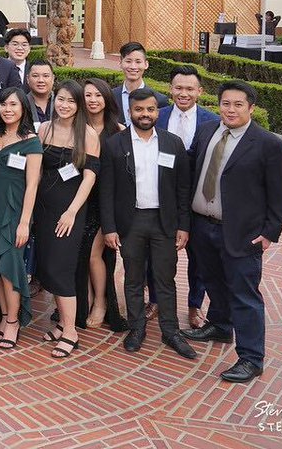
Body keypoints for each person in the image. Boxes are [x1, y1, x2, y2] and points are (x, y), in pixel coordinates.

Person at [182, 81, 282, 384]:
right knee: (213, 281)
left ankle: (251, 358)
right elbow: (191, 170)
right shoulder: (206, 132)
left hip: (242, 233)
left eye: (238, 105)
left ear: (251, 108)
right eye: (225, 103)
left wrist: (270, 232)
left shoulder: (268, 144)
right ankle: (219, 325)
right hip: (203, 225)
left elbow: (279, 192)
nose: (230, 110)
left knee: (244, 295)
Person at [99, 89, 197, 360]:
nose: (145, 115)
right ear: (130, 112)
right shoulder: (114, 144)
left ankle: (171, 331)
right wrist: (109, 227)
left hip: (164, 222)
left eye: (150, 110)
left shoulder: (172, 143)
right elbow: (106, 190)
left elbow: (182, 189)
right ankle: (137, 328)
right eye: (139, 110)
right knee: (133, 279)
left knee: (165, 279)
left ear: (157, 111)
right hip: (130, 223)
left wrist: (183, 226)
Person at [35, 81, 101, 359]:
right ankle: (61, 323)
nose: (64, 105)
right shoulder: (44, 129)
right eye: (60, 99)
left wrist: (72, 211)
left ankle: (71, 332)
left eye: (71, 102)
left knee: (61, 268)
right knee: (47, 265)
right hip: (45, 209)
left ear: (79, 106)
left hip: (69, 210)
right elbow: (36, 171)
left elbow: (89, 177)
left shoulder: (87, 134)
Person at [0, 88, 43, 351]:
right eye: (4, 104)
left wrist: (25, 221)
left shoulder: (32, 142)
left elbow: (32, 186)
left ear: (23, 108)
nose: (8, 109)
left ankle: (14, 322)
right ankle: (4, 317)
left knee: (10, 265)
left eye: (13, 105)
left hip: (14, 211)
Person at [156, 66, 220, 329]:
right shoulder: (157, 116)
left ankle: (195, 305)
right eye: (178, 88)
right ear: (170, 89)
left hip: (196, 201)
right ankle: (155, 301)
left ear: (199, 92)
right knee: (156, 254)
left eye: (189, 89)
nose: (183, 93)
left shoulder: (212, 121)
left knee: (199, 257)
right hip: (159, 198)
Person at [79, 78, 127, 331]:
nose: (93, 100)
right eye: (88, 95)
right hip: (79, 201)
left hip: (106, 202)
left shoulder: (118, 131)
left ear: (107, 99)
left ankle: (101, 301)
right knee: (79, 254)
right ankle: (83, 300)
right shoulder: (77, 127)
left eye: (98, 95)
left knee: (94, 253)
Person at [113, 42, 169, 126]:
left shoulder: (160, 100)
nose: (133, 66)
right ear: (120, 63)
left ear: (146, 64)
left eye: (138, 62)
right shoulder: (110, 96)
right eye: (128, 61)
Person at [26, 60, 55, 124]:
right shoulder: (22, 104)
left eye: (46, 76)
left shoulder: (61, 103)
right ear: (28, 79)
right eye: (35, 76)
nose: (41, 80)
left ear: (53, 78)